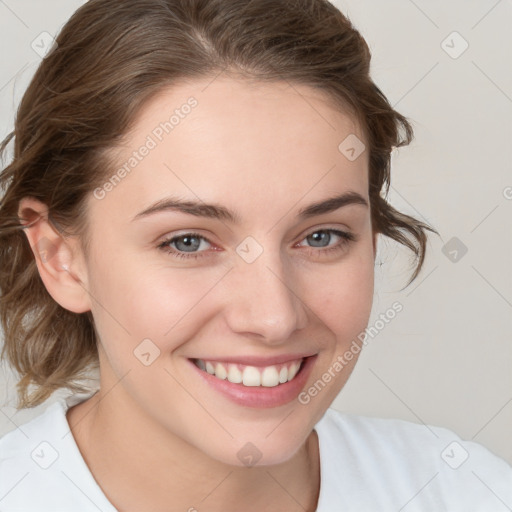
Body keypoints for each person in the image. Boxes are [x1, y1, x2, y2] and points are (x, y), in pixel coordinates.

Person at [0, 0, 510, 510]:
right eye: (188, 242)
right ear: (59, 257)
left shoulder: (467, 492)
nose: (274, 317)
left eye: (321, 236)